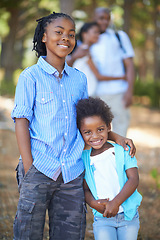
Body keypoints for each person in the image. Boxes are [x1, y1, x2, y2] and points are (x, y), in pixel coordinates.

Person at [11, 11, 136, 240]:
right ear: (44, 37)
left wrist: (115, 136)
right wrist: (29, 168)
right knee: (28, 233)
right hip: (39, 167)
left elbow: (87, 122)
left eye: (71, 34)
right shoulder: (30, 77)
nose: (65, 38)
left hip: (72, 171)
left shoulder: (79, 79)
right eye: (58, 32)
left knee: (69, 234)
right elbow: (21, 121)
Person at [76, 97, 142, 240]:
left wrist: (116, 203)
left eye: (100, 129)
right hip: (103, 218)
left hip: (128, 216)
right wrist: (94, 204)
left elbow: (134, 179)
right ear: (80, 133)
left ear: (108, 127)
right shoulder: (83, 159)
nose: (95, 136)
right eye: (88, 132)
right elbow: (85, 189)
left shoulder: (123, 150)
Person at [90, 7, 135, 136]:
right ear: (94, 18)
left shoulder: (119, 36)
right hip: (96, 94)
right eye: (101, 18)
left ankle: (120, 156)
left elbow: (130, 65)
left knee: (121, 130)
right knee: (98, 132)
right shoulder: (88, 38)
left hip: (118, 92)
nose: (104, 22)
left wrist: (129, 91)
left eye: (107, 18)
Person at [69, 22, 126, 96]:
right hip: (84, 94)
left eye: (99, 33)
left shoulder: (84, 49)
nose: (98, 35)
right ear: (85, 34)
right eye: (95, 32)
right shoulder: (84, 51)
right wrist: (122, 77)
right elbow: (99, 76)